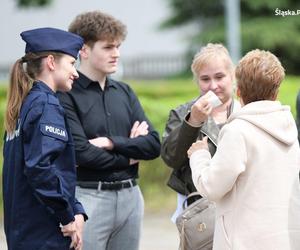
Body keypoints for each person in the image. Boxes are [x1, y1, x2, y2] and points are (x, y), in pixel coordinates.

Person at [57, 11, 161, 250]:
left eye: (118, 46)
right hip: (89, 198)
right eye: (108, 47)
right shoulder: (66, 95)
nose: (117, 54)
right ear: (83, 49)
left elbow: (154, 145)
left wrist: (111, 142)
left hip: (132, 197)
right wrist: (130, 153)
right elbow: (81, 153)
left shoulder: (125, 92)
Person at [188, 49, 300, 249]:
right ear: (277, 92)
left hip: (245, 241)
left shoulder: (238, 131)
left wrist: (199, 156)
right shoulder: (289, 126)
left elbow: (212, 187)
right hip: (285, 240)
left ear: (238, 92)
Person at [3, 27, 88, 250]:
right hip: (45, 234)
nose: (76, 72)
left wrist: (75, 208)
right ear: (51, 62)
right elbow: (40, 168)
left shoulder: (24, 105)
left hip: (25, 233)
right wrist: (67, 216)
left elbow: (53, 169)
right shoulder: (46, 105)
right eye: (71, 63)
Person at [161, 43, 240, 224]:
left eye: (220, 77)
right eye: (205, 79)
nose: (213, 85)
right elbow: (171, 158)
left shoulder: (246, 111)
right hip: (201, 212)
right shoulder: (182, 113)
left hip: (242, 208)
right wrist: (192, 121)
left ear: (232, 76)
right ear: (197, 81)